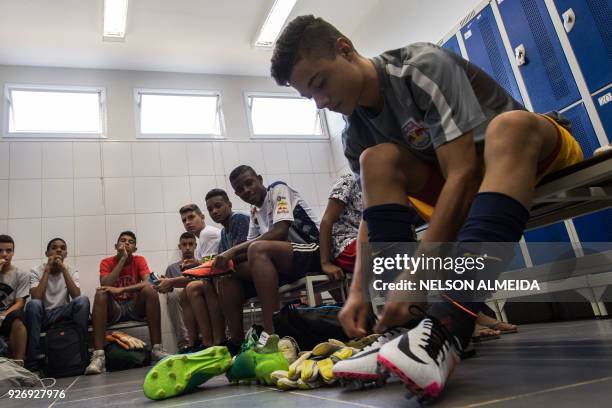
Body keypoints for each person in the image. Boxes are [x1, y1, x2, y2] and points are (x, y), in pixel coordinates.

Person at [271, 15, 583, 398]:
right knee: (376, 159)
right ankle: (405, 332)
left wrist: (418, 276)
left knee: (509, 126)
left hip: (531, 157)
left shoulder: (420, 67)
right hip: (462, 185)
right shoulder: (355, 133)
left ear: (345, 49)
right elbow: (371, 215)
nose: (322, 101)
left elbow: (464, 173)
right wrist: (358, 291)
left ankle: (448, 323)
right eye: (309, 97)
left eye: (320, 83)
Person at [213, 165, 321, 334]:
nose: (246, 190)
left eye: (249, 183)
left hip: (312, 250)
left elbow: (280, 231)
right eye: (240, 189)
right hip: (286, 260)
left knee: (257, 249)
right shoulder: (254, 210)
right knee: (228, 274)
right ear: (236, 194)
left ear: (260, 179)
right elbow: (248, 248)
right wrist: (222, 263)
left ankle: (273, 332)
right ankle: (235, 341)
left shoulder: (278, 189)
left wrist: (231, 252)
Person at [85, 231, 167, 375]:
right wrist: (122, 259)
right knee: (100, 293)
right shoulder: (106, 262)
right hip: (114, 308)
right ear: (116, 246)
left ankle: (157, 350)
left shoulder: (139, 260)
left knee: (150, 290)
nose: (127, 243)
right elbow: (105, 284)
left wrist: (121, 288)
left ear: (135, 249)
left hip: (134, 306)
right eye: (123, 241)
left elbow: (148, 282)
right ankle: (99, 357)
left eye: (131, 242)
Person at [156, 204, 223, 352]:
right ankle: (192, 343)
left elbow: (207, 272)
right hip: (216, 278)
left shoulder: (206, 233)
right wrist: (170, 281)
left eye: (191, 217)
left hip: (226, 278)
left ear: (202, 217)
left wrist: (172, 282)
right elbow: (204, 270)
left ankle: (209, 341)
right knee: (186, 291)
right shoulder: (199, 243)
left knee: (192, 287)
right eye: (184, 220)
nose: (187, 222)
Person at [25, 238, 90, 370]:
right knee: (33, 305)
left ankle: (82, 353)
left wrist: (64, 270)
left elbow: (76, 296)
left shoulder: (71, 270)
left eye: (62, 248)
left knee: (83, 300)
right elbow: (36, 297)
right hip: (43, 315)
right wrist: (47, 270)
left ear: (65, 254)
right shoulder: (35, 271)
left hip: (63, 314)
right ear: (47, 253)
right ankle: (32, 361)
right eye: (54, 247)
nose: (59, 250)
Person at [205, 188, 250, 351]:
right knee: (208, 282)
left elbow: (243, 253)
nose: (214, 211)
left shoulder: (238, 218)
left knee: (225, 280)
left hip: (255, 270)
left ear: (229, 205)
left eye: (218, 206)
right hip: (243, 276)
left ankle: (236, 340)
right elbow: (220, 262)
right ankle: (220, 341)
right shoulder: (224, 232)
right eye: (210, 209)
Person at [157, 232, 195, 352]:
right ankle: (184, 343)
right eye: (184, 244)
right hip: (181, 304)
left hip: (197, 297)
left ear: (196, 245)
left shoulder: (200, 264)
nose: (187, 247)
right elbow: (167, 291)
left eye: (190, 244)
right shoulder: (172, 268)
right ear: (180, 246)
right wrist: (162, 285)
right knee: (172, 294)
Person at [0, 235, 28, 365]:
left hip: (7, 317)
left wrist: (3, 316)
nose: (4, 254)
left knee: (18, 317)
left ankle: (18, 366)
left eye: (8, 250)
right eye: (0, 250)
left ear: (13, 252)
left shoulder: (20, 275)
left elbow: (20, 302)